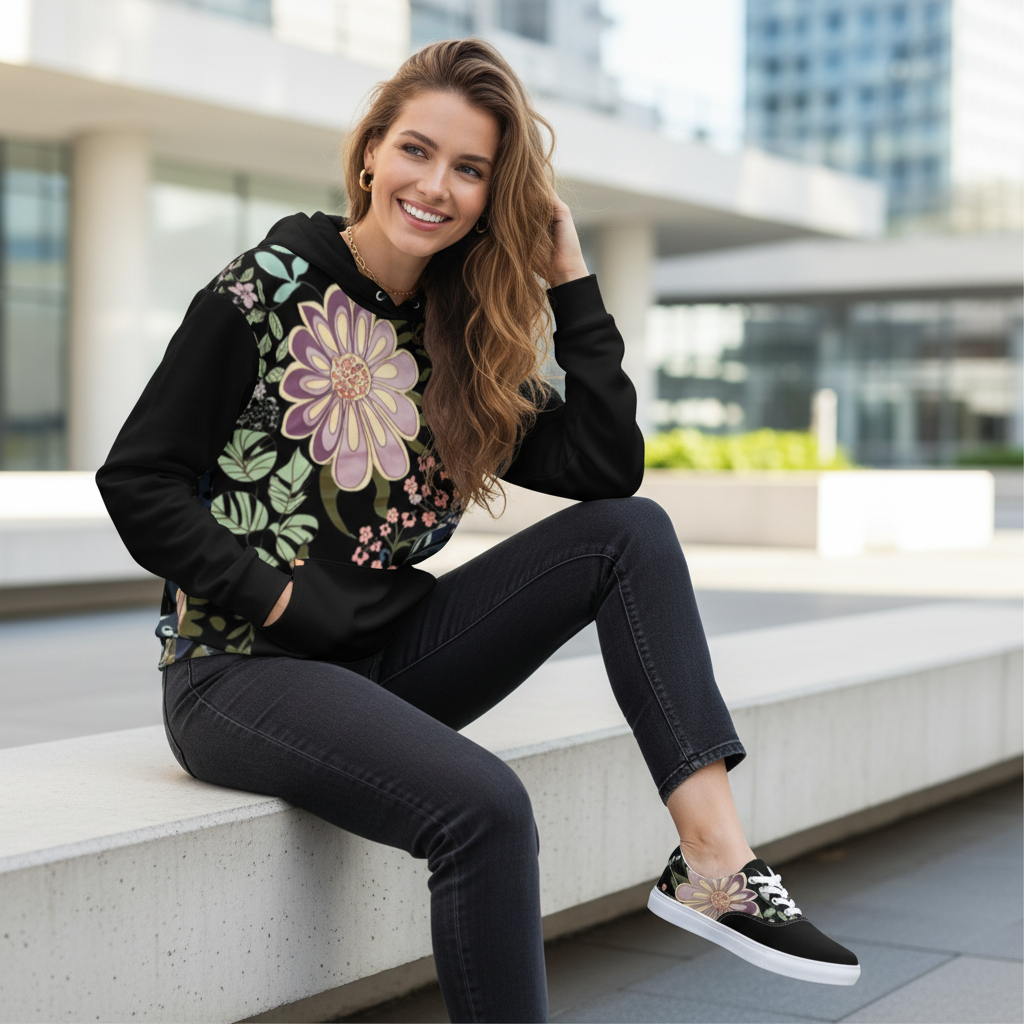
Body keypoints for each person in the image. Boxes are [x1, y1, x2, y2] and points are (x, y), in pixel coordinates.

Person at [96, 38, 859, 1024]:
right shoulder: (269, 287)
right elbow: (139, 479)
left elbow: (602, 468)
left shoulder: (462, 332)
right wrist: (281, 594)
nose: (435, 185)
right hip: (237, 670)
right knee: (485, 810)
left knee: (629, 533)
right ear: (370, 153)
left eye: (469, 169)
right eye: (416, 150)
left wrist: (570, 282)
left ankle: (715, 862)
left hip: (389, 657)